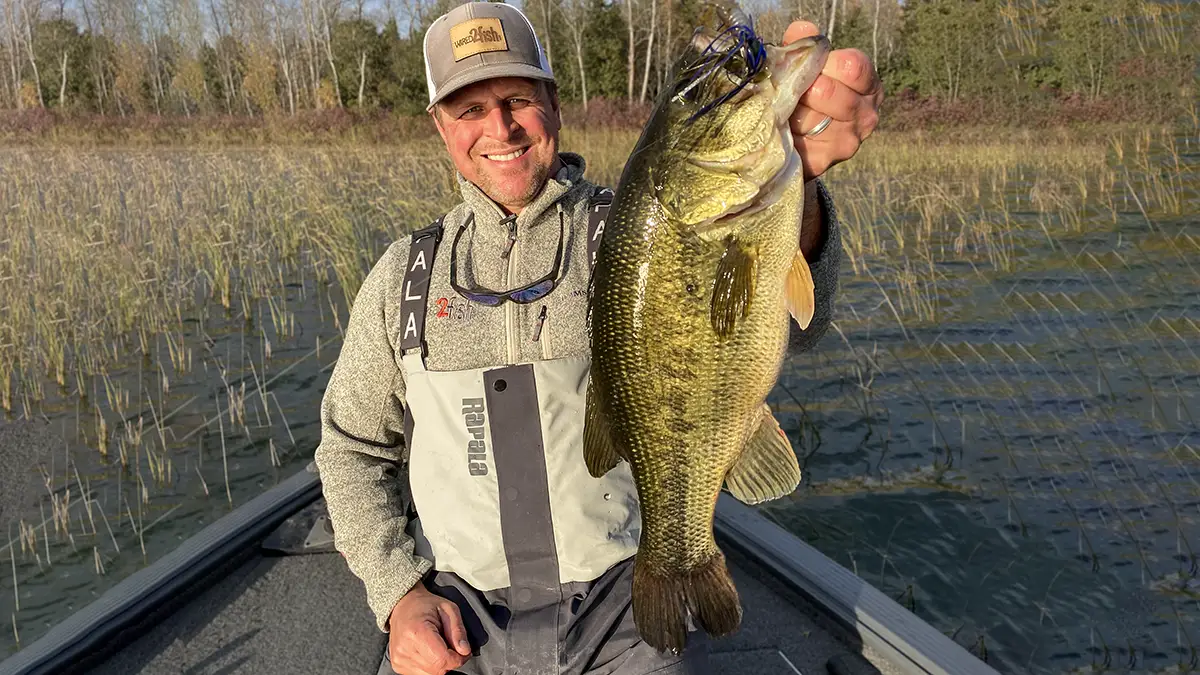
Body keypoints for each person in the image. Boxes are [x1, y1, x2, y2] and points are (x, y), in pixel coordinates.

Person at [313, 3, 883, 675]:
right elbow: (350, 449)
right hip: (456, 617)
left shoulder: (634, 228)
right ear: (441, 125)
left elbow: (798, 323)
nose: (500, 127)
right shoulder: (400, 278)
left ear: (553, 104)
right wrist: (398, 594)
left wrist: (802, 192)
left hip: (626, 603)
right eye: (470, 109)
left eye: (518, 99)